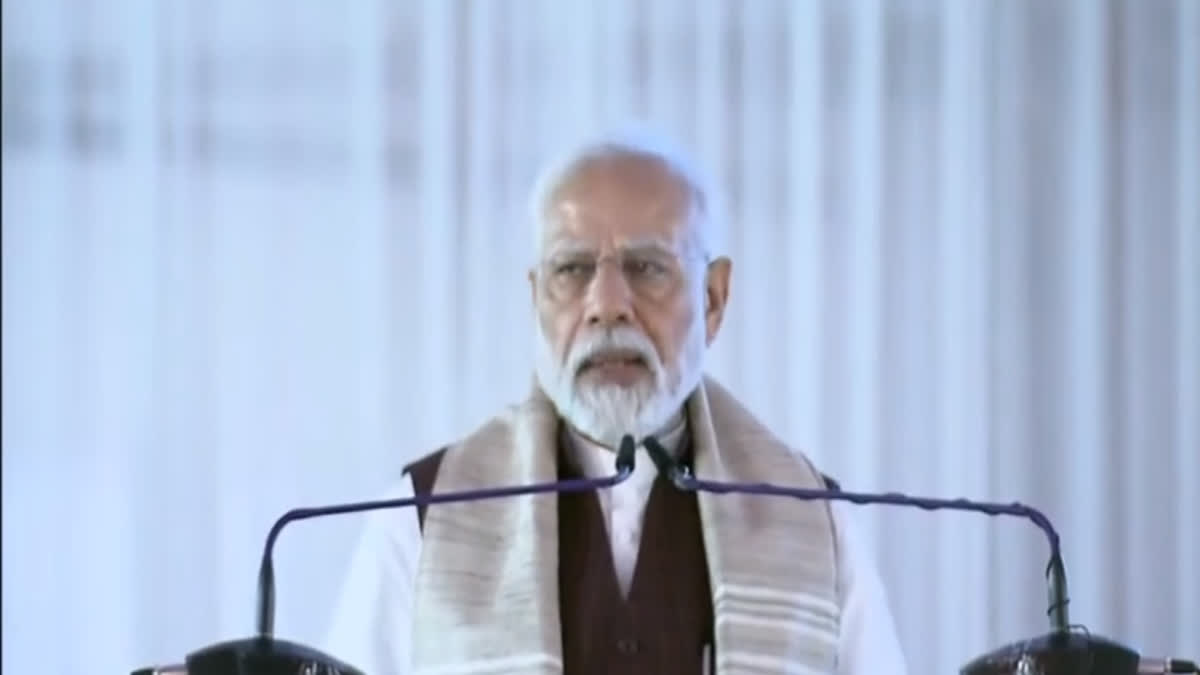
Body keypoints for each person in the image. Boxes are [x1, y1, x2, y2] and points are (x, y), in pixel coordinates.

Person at [324, 130, 908, 674]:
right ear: (535, 300)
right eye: (572, 269)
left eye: (648, 268)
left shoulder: (812, 521)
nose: (606, 304)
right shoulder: (422, 520)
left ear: (713, 299)